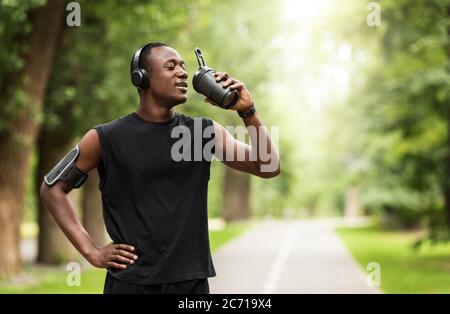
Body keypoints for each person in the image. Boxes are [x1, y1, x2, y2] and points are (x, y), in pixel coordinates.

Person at [40, 42, 280, 294]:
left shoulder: (201, 134)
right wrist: (91, 252)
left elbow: (268, 165)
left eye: (183, 67)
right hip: (129, 284)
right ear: (141, 77)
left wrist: (247, 111)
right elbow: (52, 189)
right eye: (171, 66)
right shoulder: (105, 138)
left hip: (190, 284)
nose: (183, 73)